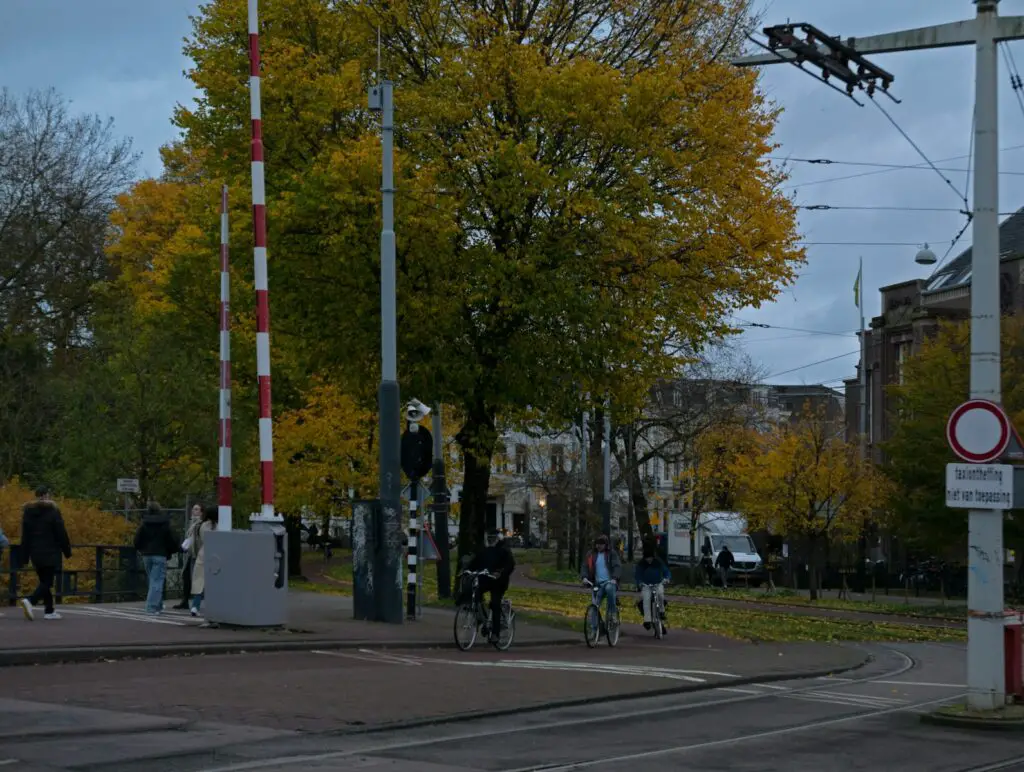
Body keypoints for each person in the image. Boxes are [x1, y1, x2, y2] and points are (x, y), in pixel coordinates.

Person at [20, 485, 72, 621]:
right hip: (50, 551)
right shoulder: (53, 511)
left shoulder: (28, 513)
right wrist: (67, 551)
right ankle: (30, 601)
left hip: (35, 553)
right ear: (46, 495)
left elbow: (25, 536)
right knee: (48, 582)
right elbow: (61, 532)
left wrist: (24, 556)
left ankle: (49, 610)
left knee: (44, 580)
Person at [468, 529, 516, 643]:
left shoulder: (504, 551)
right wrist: (467, 571)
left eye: (493, 538)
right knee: (475, 593)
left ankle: (495, 633)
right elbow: (475, 562)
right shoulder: (484, 551)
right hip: (486, 580)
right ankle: (480, 617)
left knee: (495, 604)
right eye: (489, 538)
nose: (490, 540)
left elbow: (510, 565)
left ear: (498, 539)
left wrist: (501, 573)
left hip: (498, 582)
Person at [133, 502, 180, 615]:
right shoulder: (165, 523)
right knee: (157, 581)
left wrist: (141, 549)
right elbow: (172, 539)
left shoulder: (144, 523)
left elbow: (137, 539)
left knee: (152, 580)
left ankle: (157, 605)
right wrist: (173, 549)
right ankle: (152, 607)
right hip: (160, 554)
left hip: (147, 554)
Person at [581, 534, 621, 623]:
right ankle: (594, 630)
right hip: (597, 584)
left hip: (609, 582)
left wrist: (615, 578)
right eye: (597, 544)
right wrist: (584, 577)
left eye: (601, 544)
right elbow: (585, 566)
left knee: (609, 588)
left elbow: (617, 566)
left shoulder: (611, 553)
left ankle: (612, 613)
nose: (598, 546)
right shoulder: (590, 554)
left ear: (606, 545)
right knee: (594, 605)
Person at [634, 543, 671, 631]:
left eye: (650, 558)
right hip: (646, 585)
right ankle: (647, 620)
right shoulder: (641, 564)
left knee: (661, 594)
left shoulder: (658, 562)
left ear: (653, 557)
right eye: (647, 558)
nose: (649, 560)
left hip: (658, 583)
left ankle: (662, 612)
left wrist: (667, 578)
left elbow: (666, 571)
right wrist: (639, 583)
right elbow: (637, 575)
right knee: (646, 599)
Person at [189, 506, 217, 616]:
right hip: (215, 555)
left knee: (199, 581)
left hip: (203, 553)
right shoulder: (218, 526)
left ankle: (195, 606)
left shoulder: (202, 526)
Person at [174, 504, 203, 610]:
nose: (193, 511)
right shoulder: (192, 523)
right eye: (193, 509)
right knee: (187, 576)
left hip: (197, 554)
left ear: (201, 512)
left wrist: (185, 546)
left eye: (196, 509)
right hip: (191, 553)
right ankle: (186, 600)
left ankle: (195, 602)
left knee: (195, 578)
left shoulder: (199, 524)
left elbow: (193, 539)